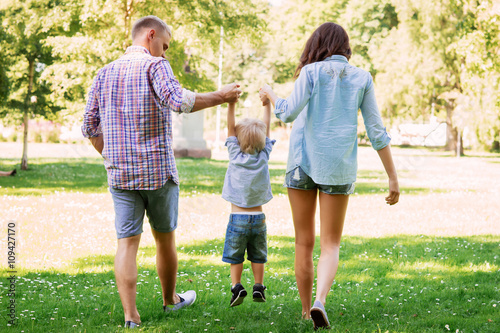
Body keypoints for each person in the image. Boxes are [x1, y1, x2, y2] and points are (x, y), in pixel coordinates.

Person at [81, 15, 242, 329]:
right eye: (164, 45)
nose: (165, 53)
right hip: (157, 174)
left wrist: (113, 155)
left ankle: (131, 317)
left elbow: (89, 126)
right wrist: (221, 96)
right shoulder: (156, 66)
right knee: (164, 240)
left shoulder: (103, 73)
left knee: (126, 243)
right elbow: (179, 101)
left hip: (120, 176)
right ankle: (170, 302)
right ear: (150, 35)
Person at [259, 22, 399, 330]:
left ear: (318, 45)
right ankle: (320, 300)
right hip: (339, 167)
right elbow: (377, 131)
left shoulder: (310, 72)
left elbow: (288, 113)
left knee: (303, 242)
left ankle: (307, 310)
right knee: (331, 244)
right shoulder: (363, 78)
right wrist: (392, 176)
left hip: (301, 163)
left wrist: (271, 95)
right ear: (345, 48)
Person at [221, 98, 275, 307]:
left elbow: (229, 126)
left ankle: (237, 287)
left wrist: (231, 104)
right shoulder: (263, 156)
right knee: (258, 256)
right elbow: (267, 128)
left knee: (236, 256)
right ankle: (258, 286)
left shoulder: (234, 154)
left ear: (237, 139)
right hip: (258, 220)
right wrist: (267, 106)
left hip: (237, 219)